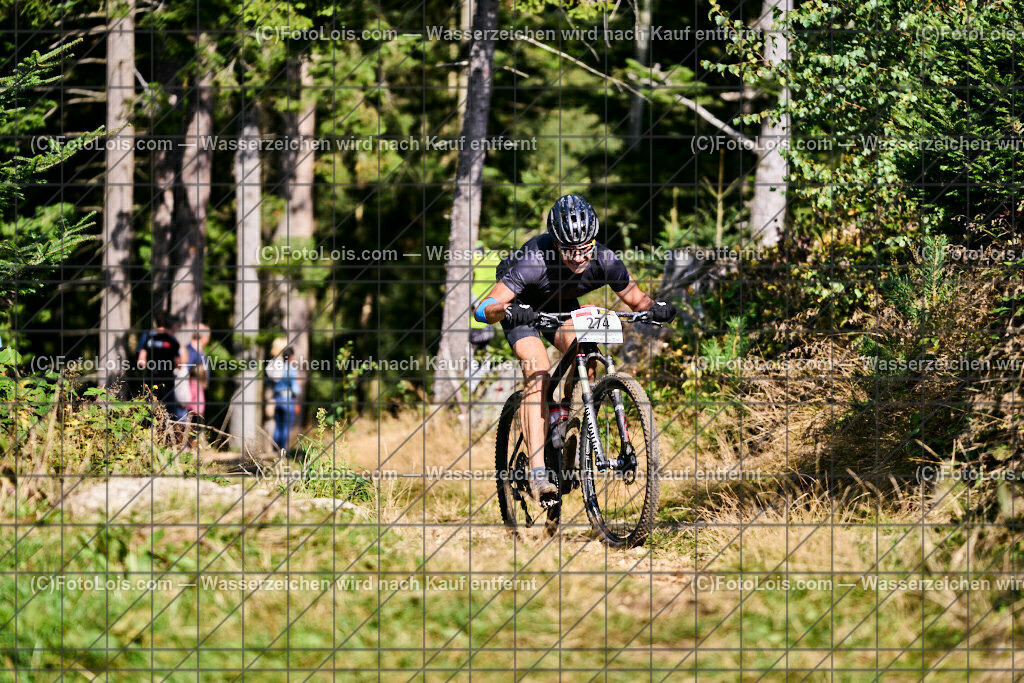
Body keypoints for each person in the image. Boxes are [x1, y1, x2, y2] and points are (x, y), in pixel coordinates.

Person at [474, 194, 677, 505]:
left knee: (586, 350)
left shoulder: (605, 260)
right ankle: (538, 471)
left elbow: (638, 301)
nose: (579, 257)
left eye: (585, 248)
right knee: (538, 369)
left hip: (561, 304)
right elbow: (483, 307)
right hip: (521, 306)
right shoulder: (532, 261)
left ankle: (565, 420)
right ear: (555, 244)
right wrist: (506, 311)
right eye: (570, 250)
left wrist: (658, 309)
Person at [137, 313, 188, 421]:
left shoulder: (149, 338)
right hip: (167, 383)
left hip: (151, 381)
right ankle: (165, 436)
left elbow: (141, 361)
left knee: (148, 411)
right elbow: (179, 365)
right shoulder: (172, 341)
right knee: (167, 413)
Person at [266, 337, 301, 453]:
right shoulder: (291, 370)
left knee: (278, 426)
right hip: (288, 400)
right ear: (291, 356)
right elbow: (295, 389)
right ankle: (282, 450)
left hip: (277, 398)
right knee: (286, 427)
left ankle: (275, 449)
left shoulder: (277, 367)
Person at [183, 324, 210, 422]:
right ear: (203, 337)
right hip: (191, 398)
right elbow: (186, 372)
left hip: (199, 395)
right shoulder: (190, 351)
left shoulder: (200, 351)